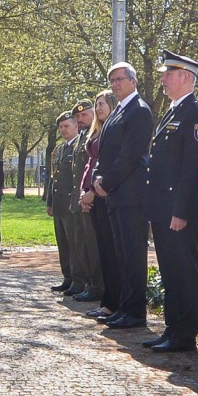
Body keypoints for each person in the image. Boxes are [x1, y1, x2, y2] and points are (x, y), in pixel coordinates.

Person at [141, 50, 198, 353]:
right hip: (163, 208)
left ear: (185, 76)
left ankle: (184, 334)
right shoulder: (173, 111)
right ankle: (172, 328)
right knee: (170, 271)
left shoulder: (195, 113)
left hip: (177, 211)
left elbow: (193, 168)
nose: (163, 80)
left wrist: (181, 211)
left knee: (183, 271)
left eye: (168, 74)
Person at [93, 63, 155, 330]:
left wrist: (106, 183)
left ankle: (135, 311)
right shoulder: (118, 110)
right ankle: (124, 307)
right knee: (121, 255)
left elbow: (130, 155)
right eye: (112, 80)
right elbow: (104, 152)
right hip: (115, 195)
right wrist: (97, 176)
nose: (115, 84)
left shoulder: (139, 110)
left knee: (133, 255)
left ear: (133, 81)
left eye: (120, 79)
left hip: (130, 195)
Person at [47, 110, 100, 296]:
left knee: (75, 245)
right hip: (59, 204)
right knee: (63, 244)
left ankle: (79, 281)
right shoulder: (60, 149)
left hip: (72, 203)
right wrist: (50, 202)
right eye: (61, 127)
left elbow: (78, 178)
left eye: (66, 126)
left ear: (76, 126)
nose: (63, 130)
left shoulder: (81, 145)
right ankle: (68, 278)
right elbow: (53, 178)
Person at [79, 92, 119, 315]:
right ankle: (107, 302)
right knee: (103, 250)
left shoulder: (112, 131)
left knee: (111, 252)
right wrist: (84, 191)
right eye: (97, 104)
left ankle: (112, 303)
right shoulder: (96, 131)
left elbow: (106, 166)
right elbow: (89, 165)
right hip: (91, 193)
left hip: (104, 194)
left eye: (102, 104)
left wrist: (92, 193)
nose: (98, 108)